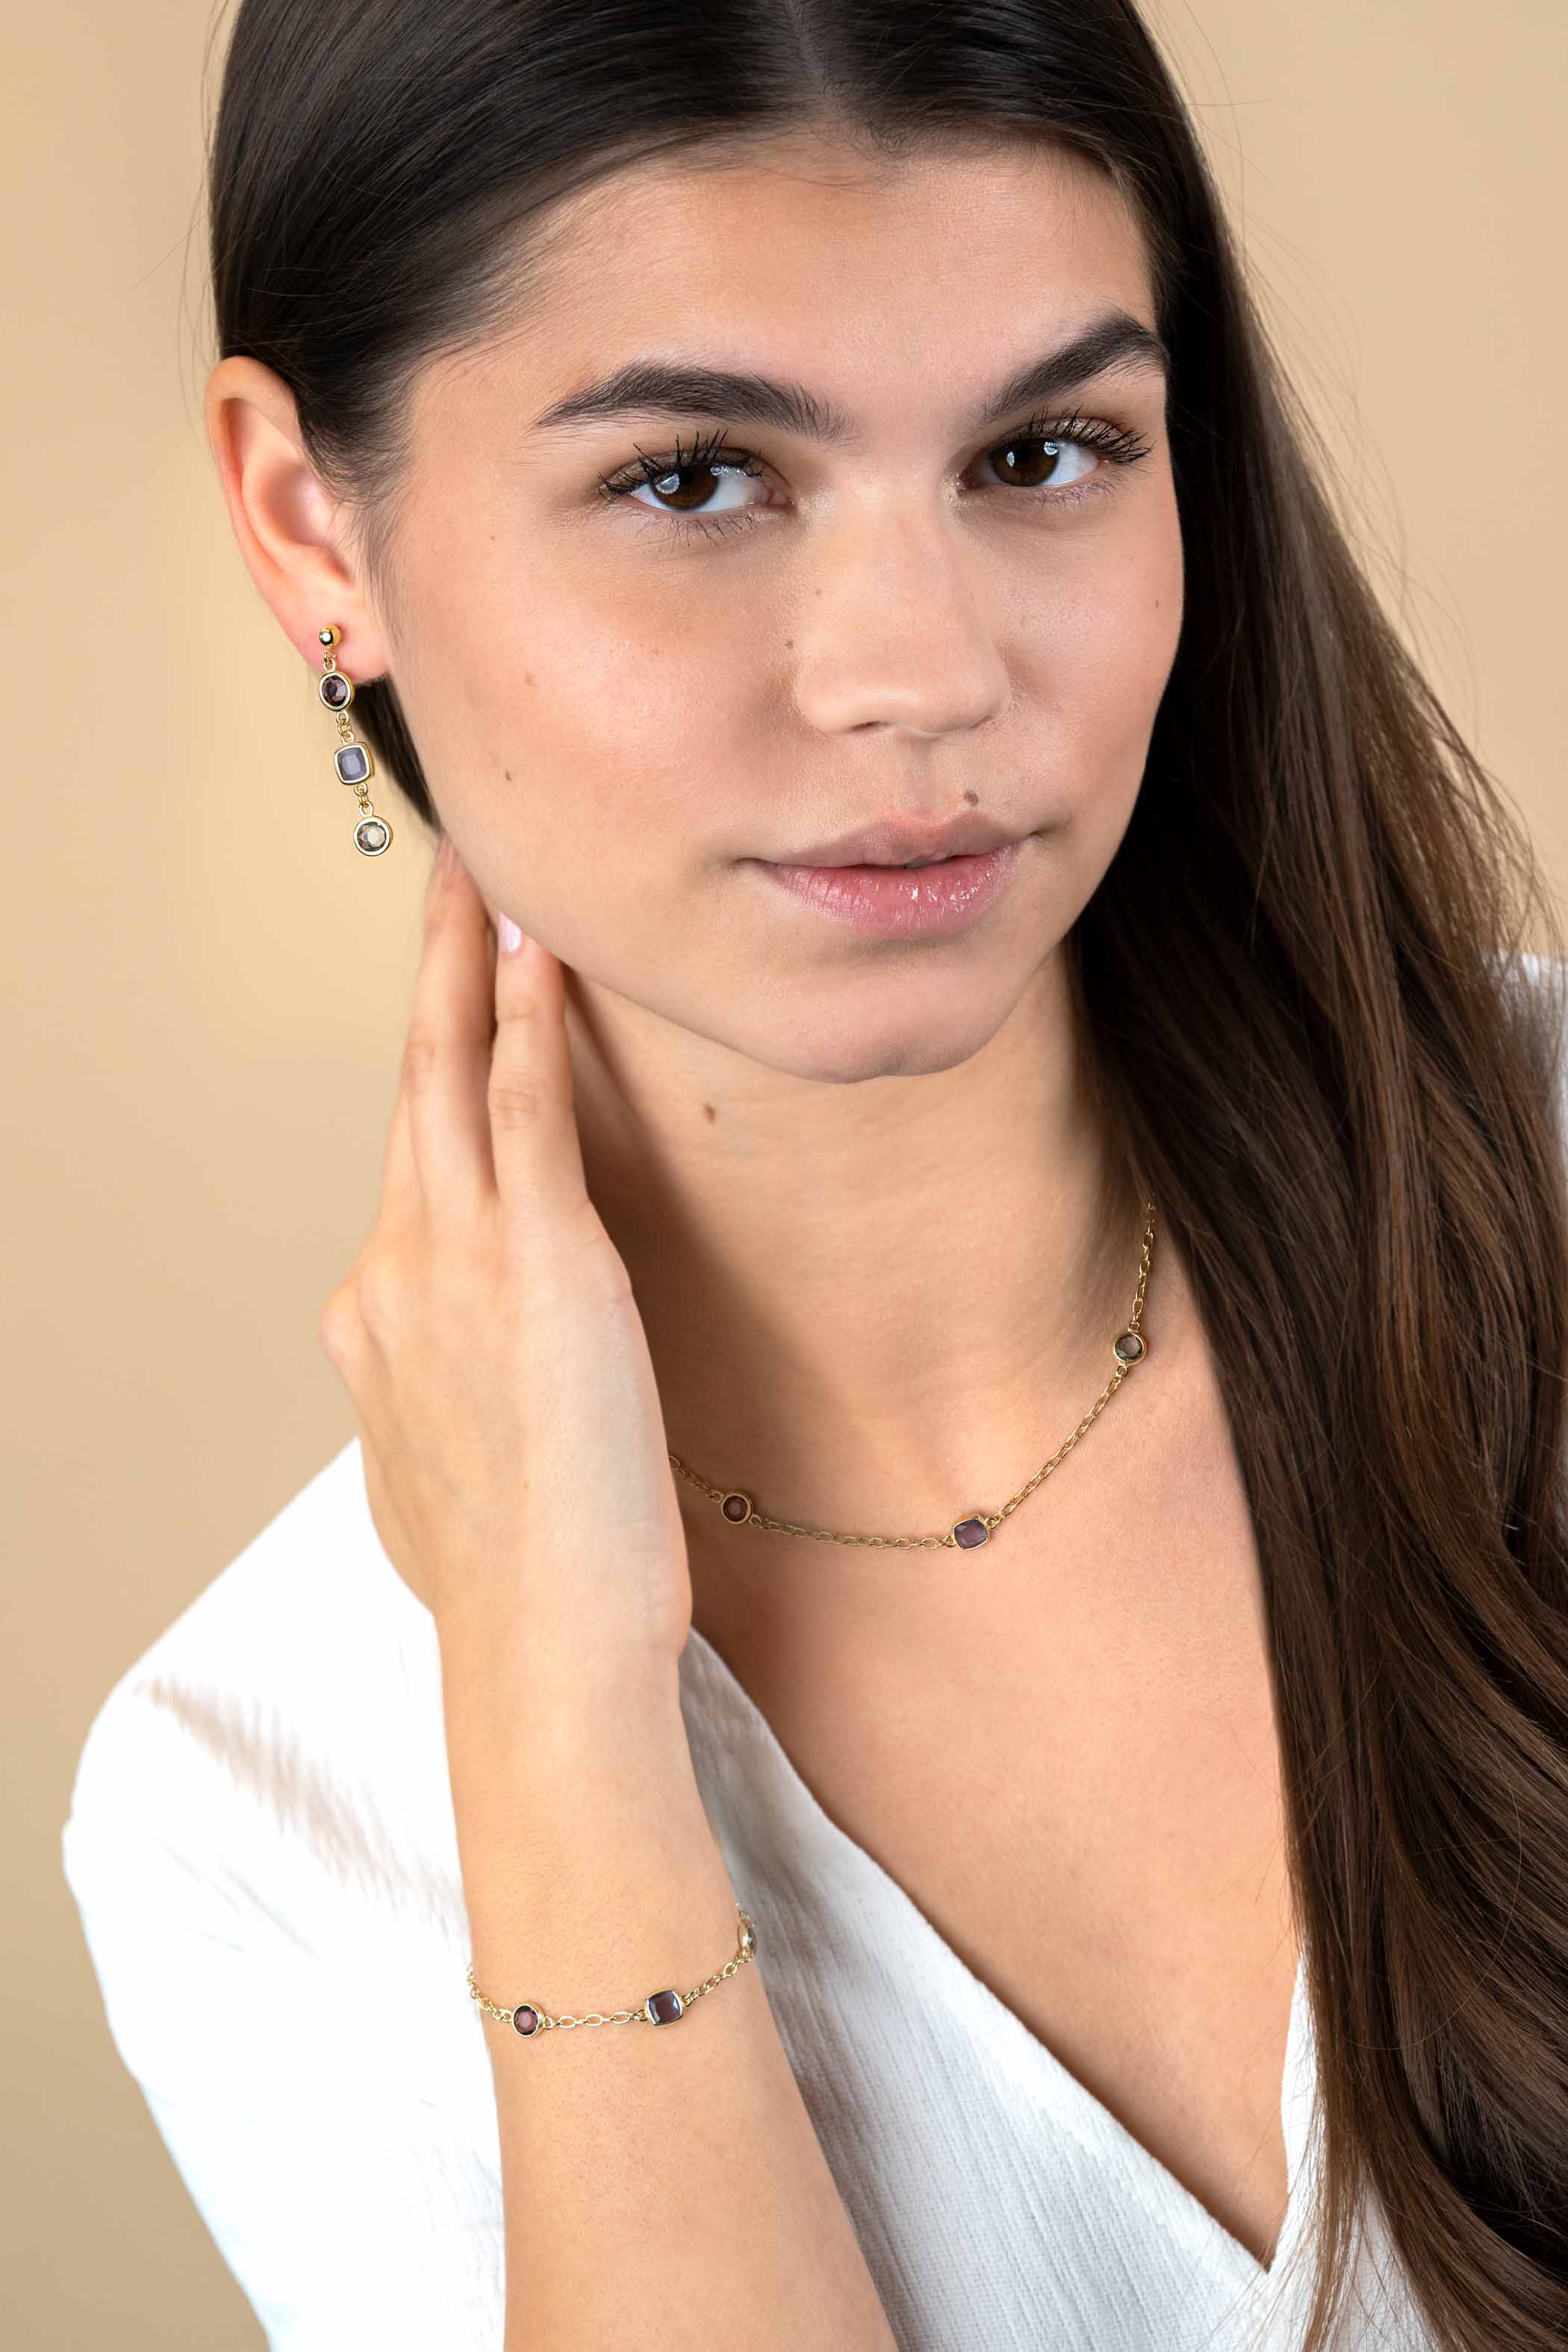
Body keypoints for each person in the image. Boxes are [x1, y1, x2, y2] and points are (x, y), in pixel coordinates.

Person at [61, 1, 1568, 2346]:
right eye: (693, 480)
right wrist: (560, 1728)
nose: (918, 675)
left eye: (1044, 452)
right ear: (303, 524)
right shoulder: (259, 1805)